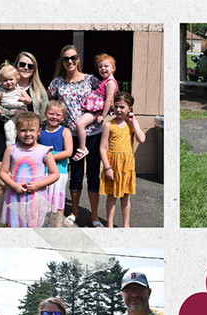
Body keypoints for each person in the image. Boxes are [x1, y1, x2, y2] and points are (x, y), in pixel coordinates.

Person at [0, 51, 48, 226]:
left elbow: (42, 116)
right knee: (1, 183)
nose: (26, 68)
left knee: (21, 184)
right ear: (16, 66)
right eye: (22, 64)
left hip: (26, 144)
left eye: (30, 65)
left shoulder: (37, 90)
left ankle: (19, 223)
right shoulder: (0, 85)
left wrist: (27, 110)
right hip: (0, 136)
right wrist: (10, 113)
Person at [48, 45, 104, 228]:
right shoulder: (57, 83)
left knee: (94, 174)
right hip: (71, 136)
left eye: (73, 58)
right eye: (66, 59)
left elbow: (108, 96)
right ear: (62, 62)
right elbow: (47, 102)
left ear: (78, 59)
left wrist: (103, 113)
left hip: (94, 134)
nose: (70, 61)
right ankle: (74, 212)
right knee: (76, 174)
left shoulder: (92, 80)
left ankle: (95, 217)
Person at [0, 112, 60, 228]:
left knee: (34, 225)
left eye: (32, 130)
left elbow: (55, 174)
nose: (27, 134)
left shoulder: (44, 151)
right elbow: (3, 172)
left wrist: (38, 185)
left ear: (38, 131)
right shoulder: (11, 149)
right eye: (23, 130)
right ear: (17, 131)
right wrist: (13, 185)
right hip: (15, 194)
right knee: (15, 226)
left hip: (36, 195)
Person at [99, 92, 146, 228]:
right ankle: (110, 224)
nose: (118, 110)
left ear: (130, 109)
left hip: (127, 165)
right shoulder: (109, 125)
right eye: (116, 107)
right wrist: (107, 168)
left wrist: (134, 121)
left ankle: (126, 225)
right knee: (112, 196)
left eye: (122, 107)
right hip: (113, 165)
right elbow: (102, 148)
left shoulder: (131, 124)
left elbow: (141, 139)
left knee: (125, 197)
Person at [74, 54, 119, 161]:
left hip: (95, 111)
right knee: (80, 125)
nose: (103, 68)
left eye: (106, 66)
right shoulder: (105, 81)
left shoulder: (110, 83)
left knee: (80, 125)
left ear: (113, 68)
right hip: (95, 109)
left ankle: (82, 148)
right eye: (100, 67)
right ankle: (82, 147)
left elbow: (109, 100)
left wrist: (102, 115)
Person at [39, 100, 73, 226]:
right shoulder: (40, 130)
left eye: (58, 115)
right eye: (51, 113)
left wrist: (48, 158)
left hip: (59, 171)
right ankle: (42, 224)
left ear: (63, 117)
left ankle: (57, 225)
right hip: (42, 171)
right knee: (43, 198)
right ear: (45, 114)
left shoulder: (65, 131)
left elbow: (68, 152)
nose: (54, 117)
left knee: (57, 199)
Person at [0, 64, 32, 146]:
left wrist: (25, 99)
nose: (8, 82)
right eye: (5, 80)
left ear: (16, 79)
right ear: (1, 81)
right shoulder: (0, 92)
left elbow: (29, 100)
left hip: (22, 115)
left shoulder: (20, 90)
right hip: (9, 117)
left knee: (25, 132)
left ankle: (24, 148)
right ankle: (10, 150)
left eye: (11, 79)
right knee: (9, 134)